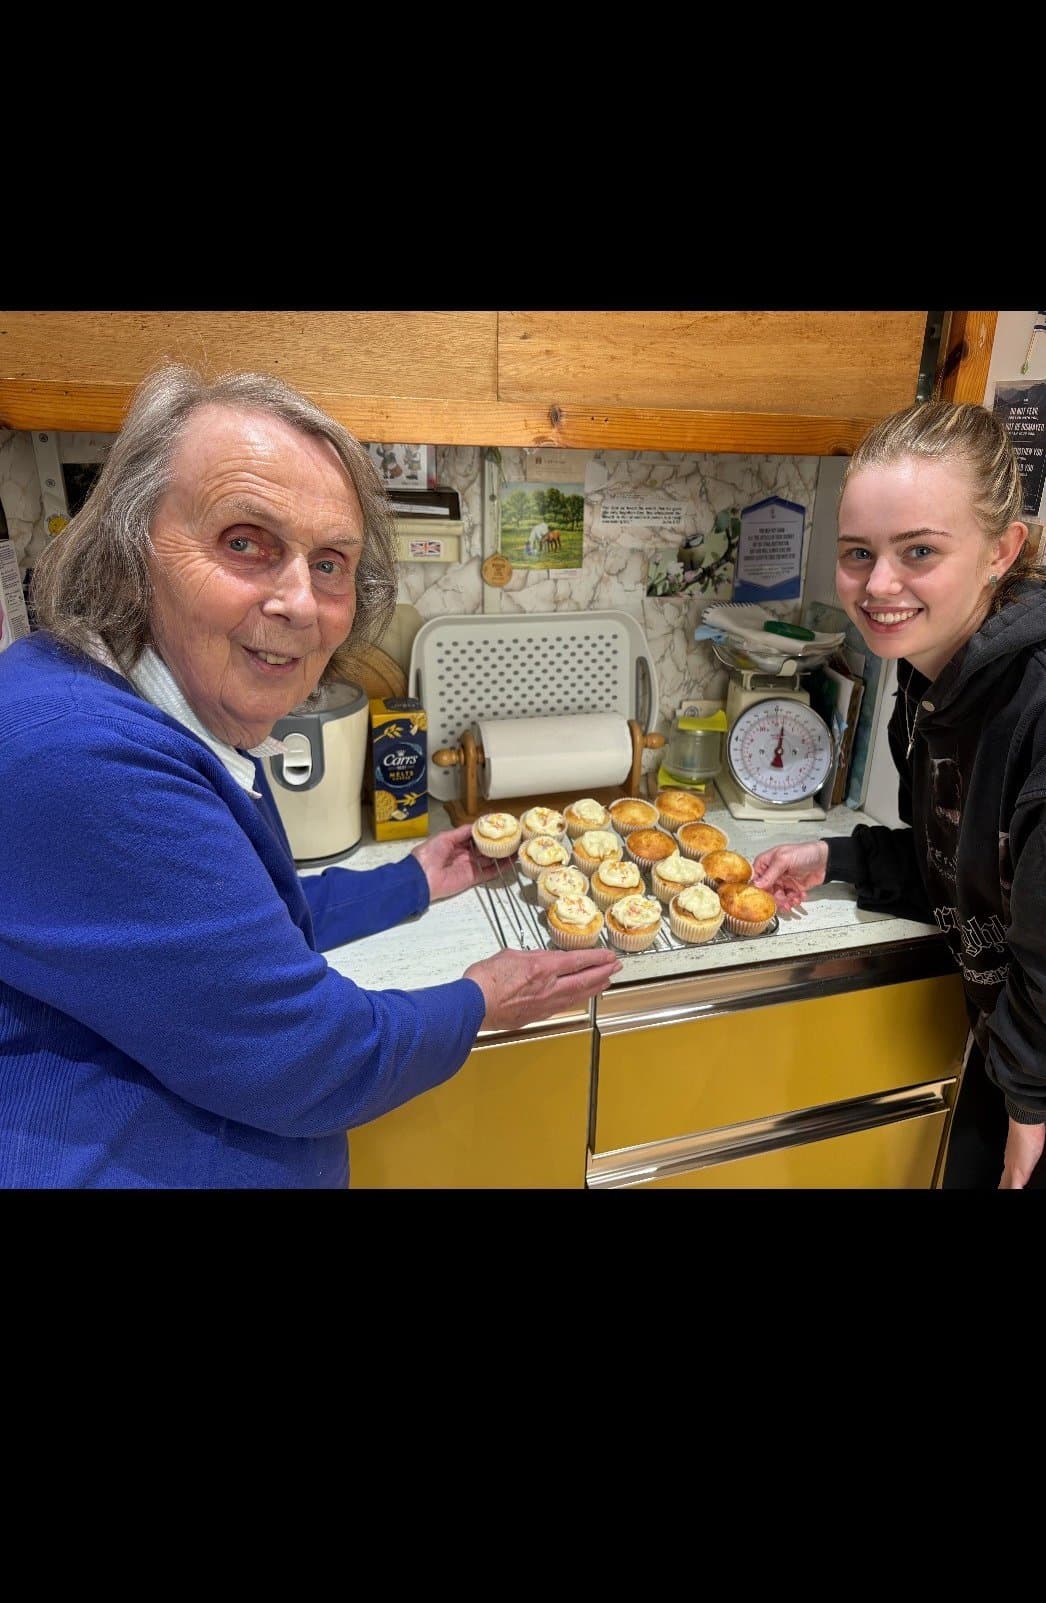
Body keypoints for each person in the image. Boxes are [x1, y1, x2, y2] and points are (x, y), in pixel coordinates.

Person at [0, 365, 621, 1188]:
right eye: (245, 542)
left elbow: (233, 926)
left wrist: (411, 880)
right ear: (131, 545)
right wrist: (480, 997)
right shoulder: (86, 757)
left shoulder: (127, 704)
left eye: (331, 562)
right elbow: (308, 1055)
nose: (300, 600)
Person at [750, 400, 1046, 1190]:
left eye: (919, 550)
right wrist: (839, 855)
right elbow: (961, 866)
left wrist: (1030, 1098)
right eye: (858, 553)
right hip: (1010, 1056)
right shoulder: (924, 681)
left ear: (1001, 550)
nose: (879, 585)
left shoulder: (1037, 704)